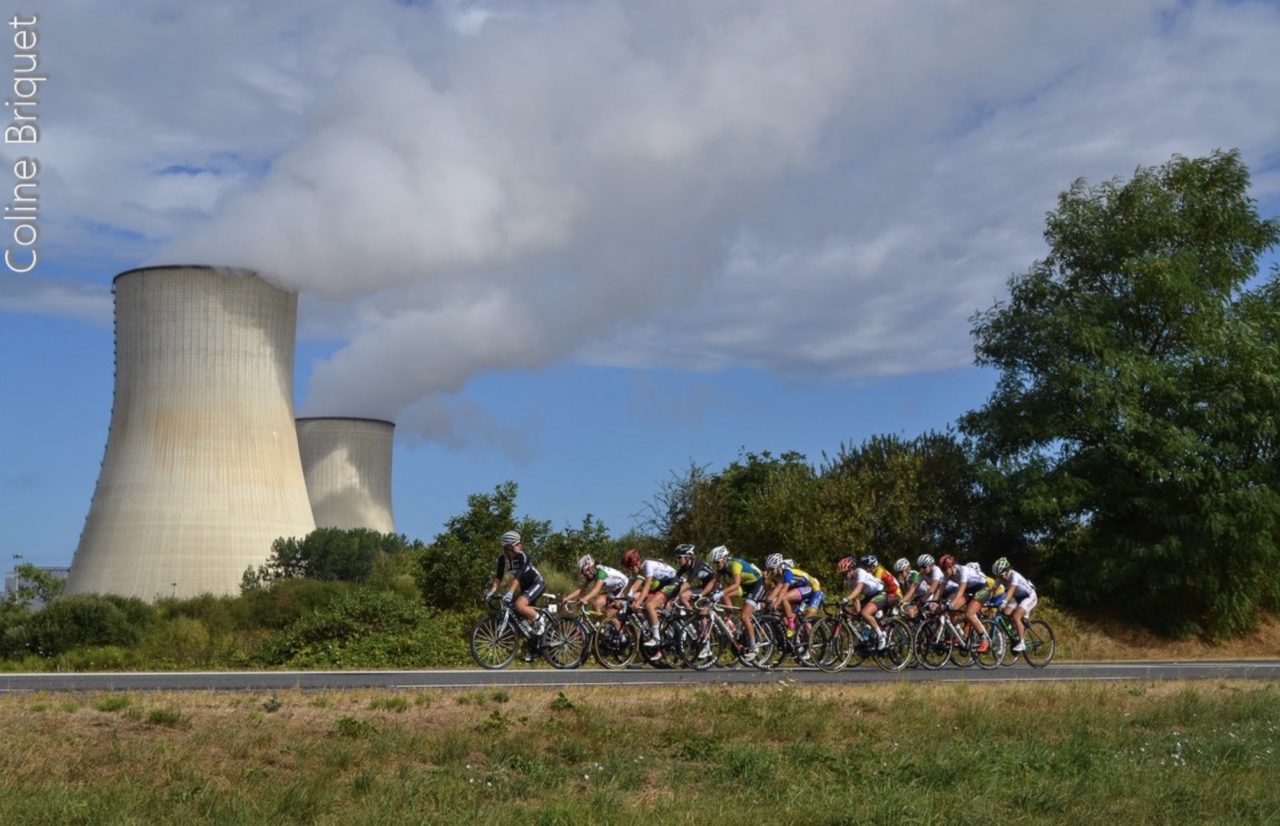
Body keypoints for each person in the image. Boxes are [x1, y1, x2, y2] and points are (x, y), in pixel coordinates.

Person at [705, 545, 765, 662]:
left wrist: (720, 593)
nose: (716, 565)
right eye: (715, 563)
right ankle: (730, 619)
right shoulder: (722, 568)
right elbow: (713, 582)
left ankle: (753, 647)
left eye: (717, 562)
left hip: (757, 584)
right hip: (746, 585)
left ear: (724, 559)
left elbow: (736, 585)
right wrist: (701, 595)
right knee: (726, 596)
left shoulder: (735, 565)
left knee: (744, 616)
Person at [485, 530, 545, 637]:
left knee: (518, 605)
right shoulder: (502, 559)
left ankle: (541, 620)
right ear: (508, 547)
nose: (520, 545)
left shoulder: (523, 556)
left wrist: (510, 592)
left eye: (520, 542)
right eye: (517, 543)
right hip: (525, 587)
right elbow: (498, 577)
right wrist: (492, 591)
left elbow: (518, 575)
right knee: (516, 612)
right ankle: (538, 644)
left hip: (536, 583)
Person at [620, 547, 680, 649]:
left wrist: (637, 602)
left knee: (649, 605)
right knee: (645, 606)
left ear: (637, 563)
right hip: (664, 583)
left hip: (674, 582)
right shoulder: (636, 569)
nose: (630, 570)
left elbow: (647, 587)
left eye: (630, 567)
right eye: (628, 568)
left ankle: (656, 638)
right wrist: (620, 600)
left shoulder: (648, 565)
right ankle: (662, 627)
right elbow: (628, 588)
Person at [837, 554, 895, 650]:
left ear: (851, 569)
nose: (844, 576)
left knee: (865, 613)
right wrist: (857, 612)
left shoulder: (860, 572)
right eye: (842, 574)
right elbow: (856, 598)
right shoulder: (849, 581)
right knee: (855, 616)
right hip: (869, 596)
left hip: (880, 594)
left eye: (845, 573)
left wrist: (846, 599)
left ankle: (881, 636)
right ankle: (860, 639)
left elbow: (858, 589)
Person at [764, 553, 824, 638]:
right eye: (769, 569)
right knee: (783, 615)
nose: (771, 572)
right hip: (801, 591)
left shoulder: (788, 572)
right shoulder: (780, 575)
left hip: (813, 589)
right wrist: (767, 601)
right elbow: (776, 590)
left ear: (778, 566)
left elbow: (784, 590)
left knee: (785, 599)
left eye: (772, 569)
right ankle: (798, 638)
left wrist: (776, 603)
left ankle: (791, 625)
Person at [940, 555, 990, 653]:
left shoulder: (963, 571)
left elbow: (960, 591)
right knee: (951, 611)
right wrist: (934, 602)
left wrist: (950, 604)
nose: (943, 571)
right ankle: (959, 635)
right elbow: (940, 589)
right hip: (969, 590)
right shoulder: (947, 574)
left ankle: (984, 640)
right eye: (942, 569)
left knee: (969, 613)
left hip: (983, 588)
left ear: (951, 566)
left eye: (944, 569)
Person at [992, 557, 1037, 652]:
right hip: (1018, 599)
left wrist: (1004, 602)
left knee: (1016, 616)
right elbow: (992, 591)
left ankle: (1022, 643)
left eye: (1001, 575)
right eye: (998, 576)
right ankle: (1014, 635)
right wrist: (984, 600)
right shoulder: (1000, 578)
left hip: (1029, 597)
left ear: (1007, 571)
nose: (1000, 578)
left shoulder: (1014, 576)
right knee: (1004, 614)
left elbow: (1011, 590)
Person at [563, 553, 630, 614]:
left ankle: (619, 626)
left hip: (625, 587)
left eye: (586, 572)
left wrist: (584, 599)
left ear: (591, 567)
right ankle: (601, 626)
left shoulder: (601, 573)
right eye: (584, 574)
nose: (585, 575)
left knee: (609, 613)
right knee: (596, 604)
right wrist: (567, 598)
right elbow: (581, 588)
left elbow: (596, 589)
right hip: (614, 590)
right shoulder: (593, 572)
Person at [673, 544, 716, 610]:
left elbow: (688, 582)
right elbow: (675, 578)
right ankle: (693, 616)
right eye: (676, 557)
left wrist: (674, 594)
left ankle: (691, 614)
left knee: (683, 596)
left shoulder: (697, 565)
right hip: (705, 586)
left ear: (688, 557)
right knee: (685, 597)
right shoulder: (685, 566)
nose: (677, 560)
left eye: (679, 557)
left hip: (714, 586)